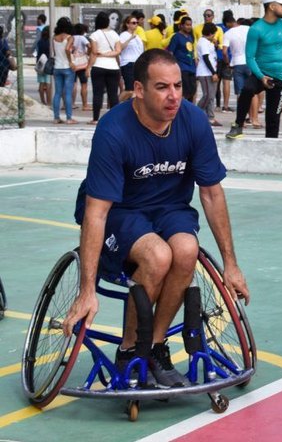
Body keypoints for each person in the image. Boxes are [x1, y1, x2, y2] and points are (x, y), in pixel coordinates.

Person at [62, 49, 250, 388]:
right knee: (157, 256)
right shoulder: (113, 130)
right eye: (162, 87)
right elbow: (97, 211)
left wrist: (230, 264)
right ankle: (130, 350)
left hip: (169, 209)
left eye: (178, 85)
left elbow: (211, 193)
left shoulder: (192, 121)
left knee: (186, 249)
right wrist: (86, 290)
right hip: (121, 210)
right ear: (139, 89)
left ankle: (155, 347)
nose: (174, 95)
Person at [226, 0, 282, 140]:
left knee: (273, 120)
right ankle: (238, 125)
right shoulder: (256, 29)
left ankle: (271, 145)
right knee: (247, 90)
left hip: (279, 76)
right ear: (272, 6)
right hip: (260, 73)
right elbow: (250, 57)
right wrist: (261, 77)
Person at [88, 11, 123, 124]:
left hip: (98, 66)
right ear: (108, 22)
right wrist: (109, 54)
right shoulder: (115, 34)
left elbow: (93, 52)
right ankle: (115, 118)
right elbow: (118, 51)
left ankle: (95, 118)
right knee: (113, 94)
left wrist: (88, 67)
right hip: (113, 67)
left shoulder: (94, 35)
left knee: (97, 93)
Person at [52, 18, 77, 124]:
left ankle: (56, 117)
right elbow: (67, 49)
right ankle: (69, 118)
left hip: (57, 67)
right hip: (67, 67)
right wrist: (70, 61)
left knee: (57, 93)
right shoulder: (70, 37)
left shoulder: (54, 37)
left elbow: (55, 52)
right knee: (67, 93)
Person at [223, 17, 250, 114]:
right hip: (250, 62)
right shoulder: (250, 29)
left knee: (240, 92)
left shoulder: (228, 33)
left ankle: (241, 117)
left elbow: (225, 52)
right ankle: (252, 117)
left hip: (237, 63)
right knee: (252, 91)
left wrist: (227, 63)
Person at [167, 16, 197, 103]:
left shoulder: (190, 37)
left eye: (190, 25)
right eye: (187, 25)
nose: (189, 27)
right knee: (184, 92)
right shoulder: (176, 37)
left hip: (191, 68)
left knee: (192, 92)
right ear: (181, 25)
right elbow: (170, 53)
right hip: (182, 68)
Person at [196, 23, 222, 126]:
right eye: (214, 34)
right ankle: (196, 113)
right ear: (210, 33)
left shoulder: (208, 42)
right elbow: (206, 58)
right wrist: (213, 72)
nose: (214, 36)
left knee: (211, 97)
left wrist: (215, 45)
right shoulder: (203, 42)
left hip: (211, 71)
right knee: (207, 95)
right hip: (205, 72)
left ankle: (210, 117)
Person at [119, 15, 145, 90]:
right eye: (133, 23)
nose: (136, 24)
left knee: (136, 89)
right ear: (127, 24)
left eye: (137, 23)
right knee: (130, 89)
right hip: (128, 63)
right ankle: (118, 102)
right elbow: (120, 48)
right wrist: (130, 39)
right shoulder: (123, 35)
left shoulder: (137, 36)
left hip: (137, 64)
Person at [35, 27, 51, 105]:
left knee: (41, 83)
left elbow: (37, 52)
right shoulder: (50, 42)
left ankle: (42, 101)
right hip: (48, 63)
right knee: (48, 83)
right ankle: (48, 101)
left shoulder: (39, 42)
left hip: (40, 62)